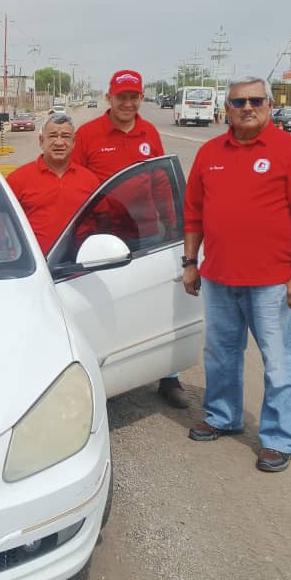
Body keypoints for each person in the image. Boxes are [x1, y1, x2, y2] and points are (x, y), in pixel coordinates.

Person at [182, 76, 291, 472]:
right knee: (220, 355)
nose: (247, 107)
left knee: (279, 363)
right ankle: (222, 416)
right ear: (226, 108)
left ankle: (279, 438)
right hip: (218, 278)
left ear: (268, 105)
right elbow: (193, 212)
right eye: (239, 102)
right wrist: (190, 262)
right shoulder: (210, 152)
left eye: (256, 100)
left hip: (273, 283)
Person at [72, 69, 187, 408]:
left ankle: (169, 376)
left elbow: (161, 184)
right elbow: (77, 180)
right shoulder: (89, 134)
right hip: (103, 232)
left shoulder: (149, 132)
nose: (128, 102)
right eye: (121, 96)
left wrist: (173, 225)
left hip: (147, 232)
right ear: (109, 98)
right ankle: (105, 370)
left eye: (133, 96)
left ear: (141, 98)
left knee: (159, 301)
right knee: (104, 301)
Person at [7, 113, 99, 254]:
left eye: (65, 136)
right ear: (41, 141)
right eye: (53, 136)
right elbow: (3, 225)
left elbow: (100, 222)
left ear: (74, 142)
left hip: (79, 267)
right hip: (35, 267)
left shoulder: (90, 180)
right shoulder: (17, 180)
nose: (59, 142)